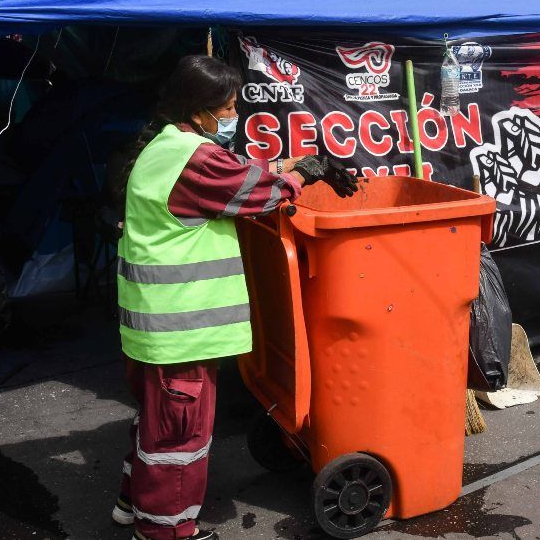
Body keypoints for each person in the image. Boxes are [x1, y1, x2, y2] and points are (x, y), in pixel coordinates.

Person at [109, 55, 357, 540]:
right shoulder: (194, 160)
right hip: (180, 331)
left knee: (155, 426)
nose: (233, 113)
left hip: (151, 326)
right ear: (200, 111)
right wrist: (307, 171)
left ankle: (130, 505)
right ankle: (164, 532)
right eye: (227, 105)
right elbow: (259, 191)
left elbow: (241, 170)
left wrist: (299, 166)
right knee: (179, 437)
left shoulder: (168, 146)